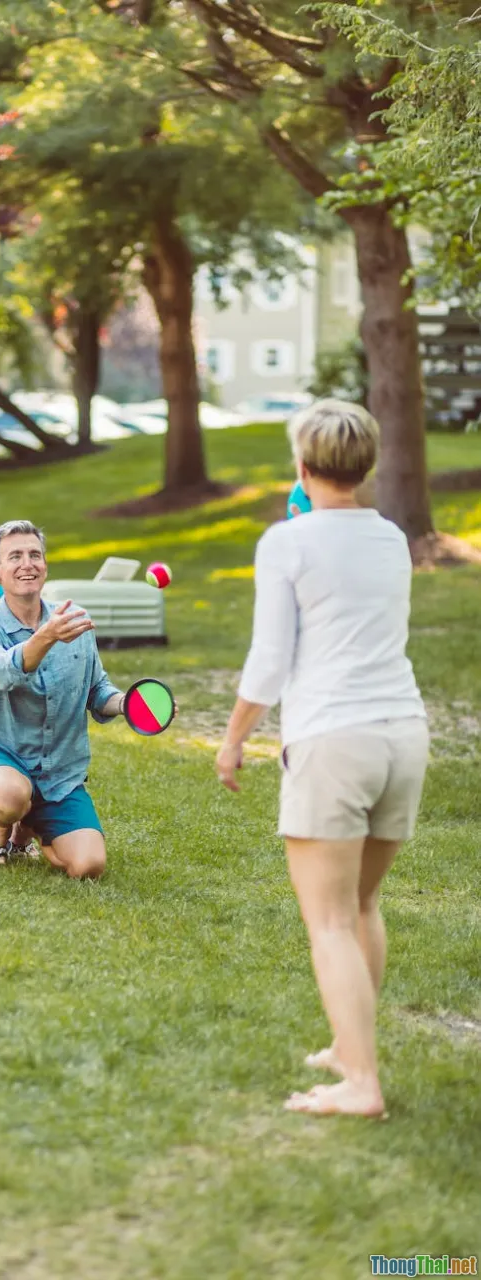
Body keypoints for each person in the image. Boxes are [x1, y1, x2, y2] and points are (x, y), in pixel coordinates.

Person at [216, 400, 428, 1118]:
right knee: (363, 904)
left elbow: (271, 659)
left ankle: (361, 1084)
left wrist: (234, 734)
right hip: (403, 734)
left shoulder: (288, 541)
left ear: (303, 469)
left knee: (330, 921)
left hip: (335, 742)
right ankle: (349, 1047)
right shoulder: (392, 538)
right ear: (364, 466)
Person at [0, 520, 126, 879]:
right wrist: (45, 638)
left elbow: (97, 690)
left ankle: (26, 831)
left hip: (57, 773)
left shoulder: (72, 622)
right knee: (10, 796)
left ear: (45, 566)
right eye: (14, 556)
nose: (26, 563)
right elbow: (2, 672)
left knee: (89, 867)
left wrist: (130, 704)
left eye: (35, 555)